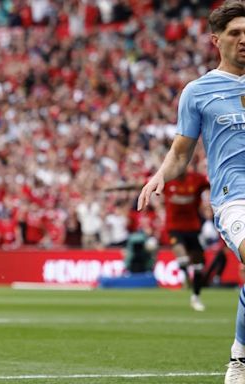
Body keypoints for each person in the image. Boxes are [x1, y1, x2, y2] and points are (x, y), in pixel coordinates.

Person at [137, 2, 245, 382]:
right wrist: (159, 177)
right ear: (217, 40)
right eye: (235, 33)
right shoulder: (198, 91)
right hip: (235, 198)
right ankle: (241, 359)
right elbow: (181, 152)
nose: (244, 39)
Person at [163, 170, 210, 311]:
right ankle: (185, 276)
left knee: (199, 266)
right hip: (174, 228)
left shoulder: (196, 179)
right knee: (182, 256)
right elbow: (142, 184)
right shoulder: (166, 179)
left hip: (193, 228)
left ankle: (195, 297)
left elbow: (212, 183)